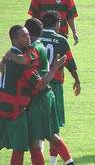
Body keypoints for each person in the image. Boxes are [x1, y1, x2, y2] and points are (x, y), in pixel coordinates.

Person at [0, 25, 65, 165]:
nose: (27, 37)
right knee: (21, 147)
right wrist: (55, 67)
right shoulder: (22, 62)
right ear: (14, 40)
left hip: (3, 106)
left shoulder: (8, 56)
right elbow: (40, 84)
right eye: (23, 36)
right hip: (14, 111)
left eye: (28, 34)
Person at [39, 11, 80, 164]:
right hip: (54, 86)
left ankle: (51, 162)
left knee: (38, 129)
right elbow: (70, 63)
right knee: (53, 128)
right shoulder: (61, 40)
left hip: (34, 85)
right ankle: (62, 162)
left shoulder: (34, 38)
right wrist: (77, 80)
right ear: (57, 24)